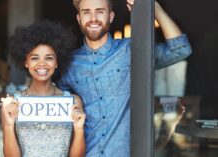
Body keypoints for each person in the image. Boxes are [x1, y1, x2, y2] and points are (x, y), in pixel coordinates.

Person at [57, 0, 192, 156]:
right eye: (86, 12)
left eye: (100, 11)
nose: (93, 18)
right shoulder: (69, 64)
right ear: (79, 18)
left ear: (111, 16)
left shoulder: (132, 49)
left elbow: (180, 49)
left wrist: (154, 8)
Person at [0, 21, 86, 157]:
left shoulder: (72, 102)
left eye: (49, 58)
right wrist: (9, 125)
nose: (42, 64)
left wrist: (79, 129)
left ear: (57, 62)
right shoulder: (13, 102)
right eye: (34, 58)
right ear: (26, 62)